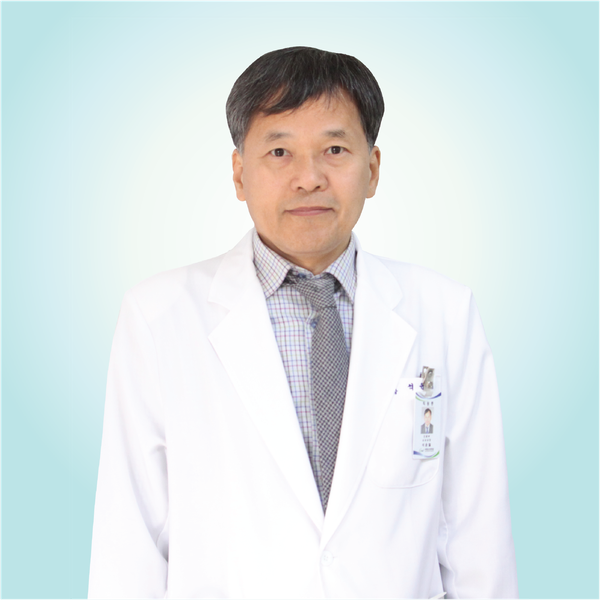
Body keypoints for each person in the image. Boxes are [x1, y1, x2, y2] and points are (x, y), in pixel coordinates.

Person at [88, 46, 518, 599]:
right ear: (239, 173)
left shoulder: (445, 313)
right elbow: (130, 539)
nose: (309, 178)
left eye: (334, 149)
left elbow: (477, 535)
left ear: (373, 169)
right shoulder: (158, 317)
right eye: (280, 152)